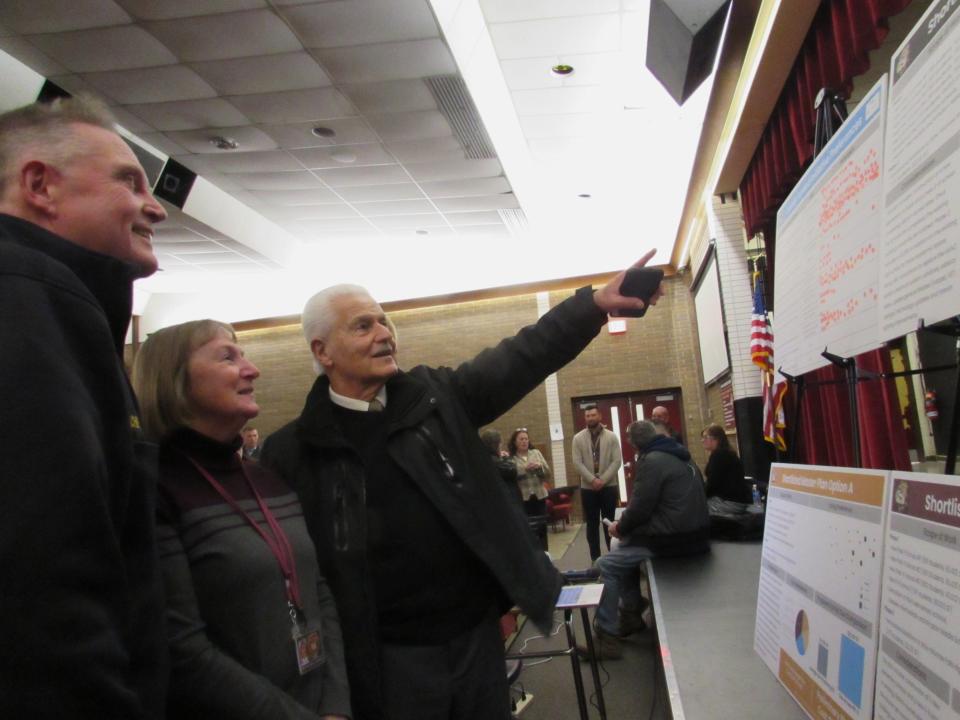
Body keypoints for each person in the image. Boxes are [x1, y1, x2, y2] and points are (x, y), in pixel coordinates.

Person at [262, 253, 664, 720]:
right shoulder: (294, 452)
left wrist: (592, 305)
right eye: (363, 326)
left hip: (475, 637)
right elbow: (301, 577)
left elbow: (521, 356)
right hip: (390, 657)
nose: (384, 333)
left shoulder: (435, 398)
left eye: (385, 321)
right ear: (322, 351)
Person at [0, 96, 169, 717]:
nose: (155, 206)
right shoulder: (26, 300)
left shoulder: (59, 307)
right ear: (40, 185)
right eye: (129, 181)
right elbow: (42, 576)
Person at [131, 320, 350, 720]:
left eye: (244, 355)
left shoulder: (268, 479)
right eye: (227, 357)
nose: (252, 369)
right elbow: (182, 648)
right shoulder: (153, 490)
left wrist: (336, 705)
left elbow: (317, 590)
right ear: (175, 380)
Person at [589, 420, 710, 659]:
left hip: (673, 539)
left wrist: (619, 527)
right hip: (696, 533)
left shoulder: (652, 461)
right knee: (624, 549)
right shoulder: (681, 455)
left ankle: (608, 637)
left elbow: (641, 508)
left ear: (634, 444)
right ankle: (631, 614)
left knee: (606, 564)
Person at [572, 405, 623, 561]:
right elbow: (577, 463)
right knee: (592, 524)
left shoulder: (612, 437)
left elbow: (617, 461)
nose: (590, 418)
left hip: (609, 486)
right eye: (587, 416)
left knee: (609, 522)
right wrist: (593, 480)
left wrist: (603, 480)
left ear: (599, 416)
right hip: (588, 488)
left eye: (593, 415)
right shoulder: (578, 438)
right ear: (585, 418)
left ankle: (612, 557)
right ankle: (595, 559)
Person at [701, 424, 752, 504]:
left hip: (731, 502)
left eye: (705, 437)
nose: (702, 440)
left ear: (716, 439)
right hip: (737, 499)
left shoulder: (719, 456)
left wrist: (700, 495)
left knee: (697, 508)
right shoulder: (725, 452)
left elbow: (713, 484)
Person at [508, 427, 551, 517]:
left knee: (542, 526)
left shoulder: (536, 453)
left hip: (539, 495)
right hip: (523, 498)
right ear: (515, 442)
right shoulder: (511, 458)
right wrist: (525, 469)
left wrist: (539, 467)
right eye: (521, 439)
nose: (524, 441)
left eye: (526, 439)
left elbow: (547, 474)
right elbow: (512, 476)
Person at [480, 428, 521, 502]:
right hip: (505, 501)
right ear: (496, 445)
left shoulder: (481, 459)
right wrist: (506, 458)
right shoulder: (497, 463)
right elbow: (513, 470)